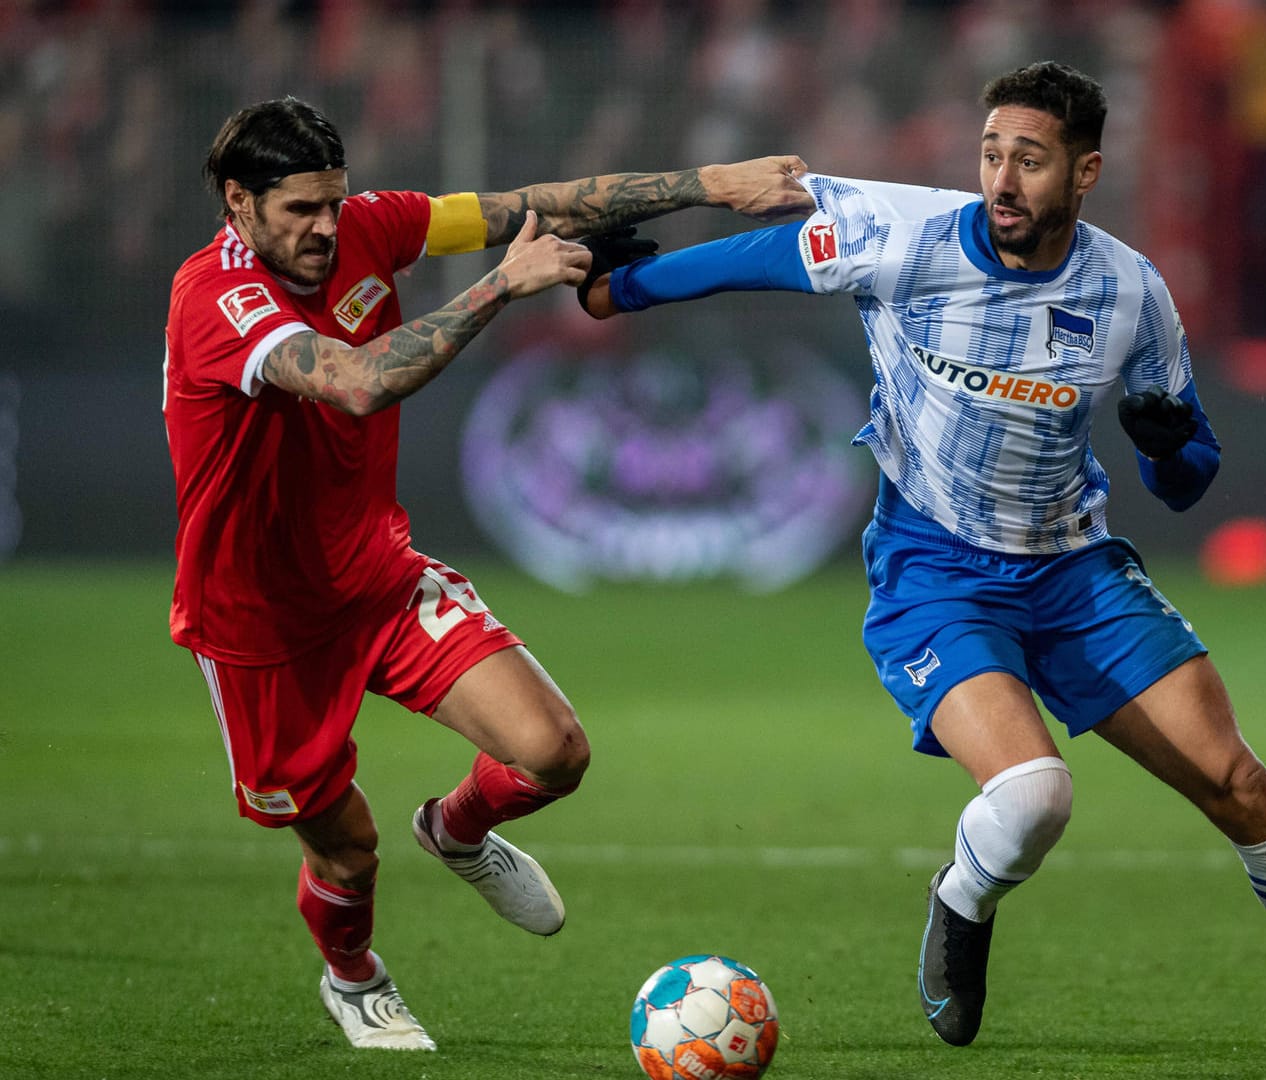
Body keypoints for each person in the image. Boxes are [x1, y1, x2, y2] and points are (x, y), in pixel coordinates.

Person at [580, 62, 1266, 1068]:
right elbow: (764, 255)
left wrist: (1170, 443)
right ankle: (962, 901)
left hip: (1072, 570)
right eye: (993, 154)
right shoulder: (907, 238)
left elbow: (1186, 478)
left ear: (1084, 173)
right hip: (936, 570)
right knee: (1036, 795)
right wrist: (619, 290)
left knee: (1242, 786)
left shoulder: (1131, 292)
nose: (1004, 180)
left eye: (1031, 161)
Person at [163, 95, 811, 1052]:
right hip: (259, 626)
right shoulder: (213, 298)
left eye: (332, 204)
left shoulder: (372, 227)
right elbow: (356, 381)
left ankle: (458, 830)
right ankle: (355, 977)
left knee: (554, 752)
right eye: (300, 209)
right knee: (346, 849)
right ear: (238, 202)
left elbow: (524, 204)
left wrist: (713, 185)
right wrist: (501, 289)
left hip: (378, 577)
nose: (325, 228)